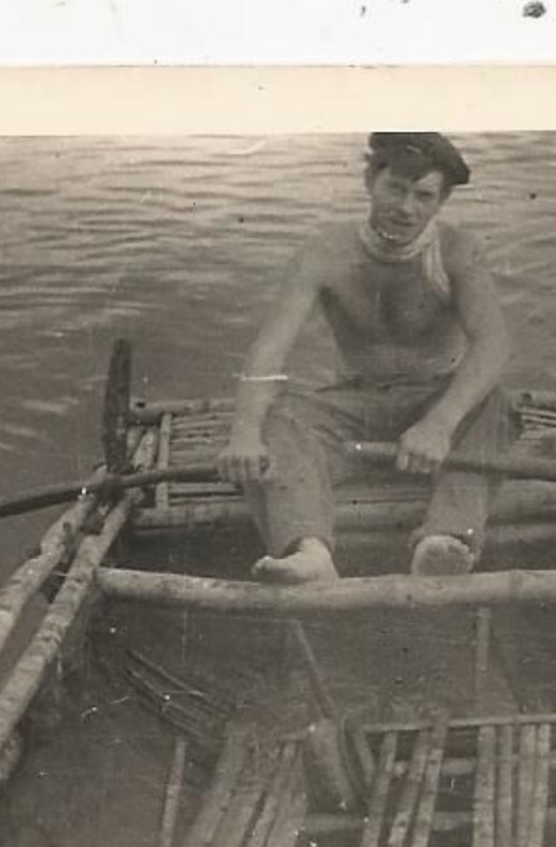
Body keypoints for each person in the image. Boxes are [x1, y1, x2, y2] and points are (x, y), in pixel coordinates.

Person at [217, 132, 514, 584]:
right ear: (370, 180)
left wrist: (439, 425)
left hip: (435, 399)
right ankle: (310, 552)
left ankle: (444, 541)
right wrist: (243, 432)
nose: (406, 208)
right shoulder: (325, 252)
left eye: (423, 196)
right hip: (355, 402)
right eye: (395, 188)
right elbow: (271, 348)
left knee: (494, 406)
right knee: (281, 419)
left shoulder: (457, 251)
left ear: (441, 202)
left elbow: (492, 344)